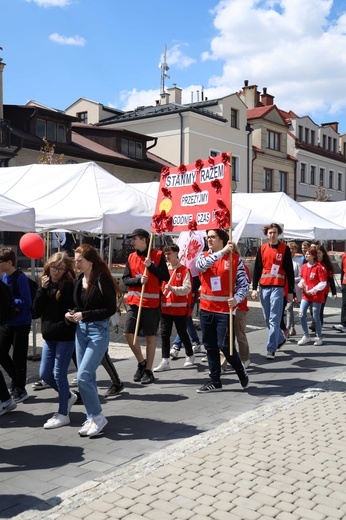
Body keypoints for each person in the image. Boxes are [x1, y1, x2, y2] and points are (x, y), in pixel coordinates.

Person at [65, 244, 117, 437]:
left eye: (80, 260)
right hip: (81, 331)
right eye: (75, 260)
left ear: (90, 261)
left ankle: (98, 416)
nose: (76, 263)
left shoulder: (102, 278)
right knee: (88, 377)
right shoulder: (79, 279)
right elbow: (77, 305)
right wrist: (71, 314)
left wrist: (84, 315)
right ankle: (91, 417)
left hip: (98, 331)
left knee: (83, 377)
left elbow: (110, 309)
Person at [196, 229, 249, 393]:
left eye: (213, 237)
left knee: (225, 346)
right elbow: (201, 266)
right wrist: (222, 252)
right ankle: (215, 380)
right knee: (210, 346)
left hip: (225, 311)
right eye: (208, 237)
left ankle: (240, 370)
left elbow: (244, 284)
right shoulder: (203, 256)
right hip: (206, 308)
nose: (209, 240)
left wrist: (238, 299)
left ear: (222, 239)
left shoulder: (235, 260)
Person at [32, 252, 78, 429]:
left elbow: (73, 310)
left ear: (66, 269)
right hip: (49, 337)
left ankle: (63, 413)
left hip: (65, 337)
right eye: (53, 267)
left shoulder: (69, 286)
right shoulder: (45, 284)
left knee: (59, 374)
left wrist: (67, 318)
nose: (55, 271)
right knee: (45, 374)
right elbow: (35, 312)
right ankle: (68, 396)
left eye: (59, 268)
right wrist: (41, 290)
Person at [122, 228, 169, 384]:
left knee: (150, 337)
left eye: (134, 239)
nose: (131, 241)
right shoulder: (131, 257)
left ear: (143, 240)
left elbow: (165, 276)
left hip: (151, 304)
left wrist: (151, 267)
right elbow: (125, 279)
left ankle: (148, 370)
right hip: (134, 303)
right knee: (128, 334)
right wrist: (138, 281)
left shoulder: (158, 255)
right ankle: (141, 362)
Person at [251, 223, 294, 360]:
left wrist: (291, 291)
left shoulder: (284, 249)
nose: (272, 235)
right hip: (264, 287)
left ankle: (271, 348)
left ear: (278, 233)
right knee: (267, 318)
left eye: (274, 232)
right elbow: (257, 269)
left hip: (278, 287)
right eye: (270, 233)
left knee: (274, 318)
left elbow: (289, 271)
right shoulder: (262, 248)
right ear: (266, 234)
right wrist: (254, 288)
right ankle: (280, 337)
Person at [154, 244, 195, 372]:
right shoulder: (163, 270)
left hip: (179, 309)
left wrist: (173, 289)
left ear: (176, 253)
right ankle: (165, 360)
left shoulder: (184, 270)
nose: (167, 256)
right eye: (165, 254)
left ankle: (190, 354)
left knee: (182, 333)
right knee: (164, 335)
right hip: (165, 308)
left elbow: (187, 289)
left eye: (169, 253)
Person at [0, 247, 32, 403]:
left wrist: (11, 303)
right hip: (7, 322)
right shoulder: (3, 277)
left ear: (9, 262)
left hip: (21, 323)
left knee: (19, 357)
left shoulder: (20, 278)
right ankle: (17, 379)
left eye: (0, 262)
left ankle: (20, 388)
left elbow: (26, 302)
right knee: (1, 353)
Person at [297, 247, 328, 346]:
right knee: (301, 314)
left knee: (315, 315)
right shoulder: (304, 266)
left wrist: (313, 290)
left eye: (308, 254)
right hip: (306, 295)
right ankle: (306, 335)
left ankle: (319, 336)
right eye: (306, 253)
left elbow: (323, 283)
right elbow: (302, 279)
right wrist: (300, 284)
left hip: (316, 296)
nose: (306, 255)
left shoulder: (319, 267)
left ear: (313, 256)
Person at [170, 275, 203, 359]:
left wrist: (191, 289)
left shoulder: (194, 262)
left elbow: (197, 279)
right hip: (182, 294)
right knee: (187, 319)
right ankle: (195, 341)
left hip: (190, 294)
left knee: (185, 318)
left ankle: (177, 345)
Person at [314, 245, 337, 330]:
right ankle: (315, 324)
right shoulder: (313, 263)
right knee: (314, 309)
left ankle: (318, 326)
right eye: (316, 253)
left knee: (320, 309)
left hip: (323, 291)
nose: (318, 255)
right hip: (313, 290)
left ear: (323, 253)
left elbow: (331, 280)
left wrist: (334, 292)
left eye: (319, 253)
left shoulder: (327, 265)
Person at [286, 242, 302, 336]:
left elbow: (300, 276)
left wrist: (290, 279)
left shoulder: (298, 261)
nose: (291, 250)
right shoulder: (285, 259)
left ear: (296, 250)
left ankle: (289, 328)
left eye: (293, 248)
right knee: (289, 309)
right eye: (290, 248)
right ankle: (291, 327)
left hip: (295, 287)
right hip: (285, 287)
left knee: (290, 308)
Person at [335, 250, 346, 333]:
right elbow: (342, 270)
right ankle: (343, 324)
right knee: (344, 304)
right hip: (345, 284)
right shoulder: (344, 255)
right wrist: (342, 282)